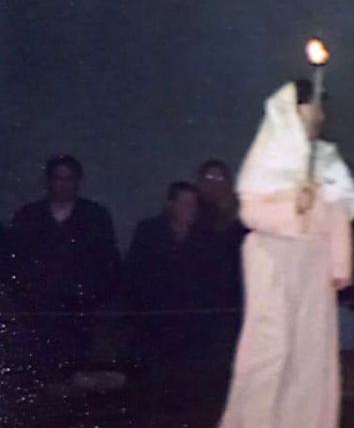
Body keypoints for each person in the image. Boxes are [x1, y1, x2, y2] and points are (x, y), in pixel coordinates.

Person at [212, 80, 354, 428]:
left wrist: (339, 263)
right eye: (313, 107)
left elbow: (342, 210)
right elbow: (251, 211)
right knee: (270, 345)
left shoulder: (326, 158)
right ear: (293, 110)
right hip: (275, 256)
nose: (320, 116)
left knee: (310, 350)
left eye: (321, 109)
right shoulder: (269, 152)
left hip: (313, 260)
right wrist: (293, 204)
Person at [7, 155, 121, 381]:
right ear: (49, 181)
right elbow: (15, 264)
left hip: (81, 313)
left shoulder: (95, 216)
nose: (64, 183)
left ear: (78, 181)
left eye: (70, 178)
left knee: (78, 376)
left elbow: (109, 263)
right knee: (40, 376)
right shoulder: (28, 216)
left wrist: (98, 302)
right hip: (39, 314)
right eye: (58, 178)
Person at [125, 181, 225, 367]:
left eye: (194, 204)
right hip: (153, 324)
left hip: (191, 328)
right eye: (185, 204)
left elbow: (211, 281)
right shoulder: (148, 231)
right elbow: (134, 275)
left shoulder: (205, 237)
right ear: (170, 205)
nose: (191, 209)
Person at [194, 158, 247, 357]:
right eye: (209, 177)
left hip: (234, 301)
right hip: (201, 302)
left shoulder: (241, 212)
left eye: (219, 177)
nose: (214, 182)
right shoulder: (194, 212)